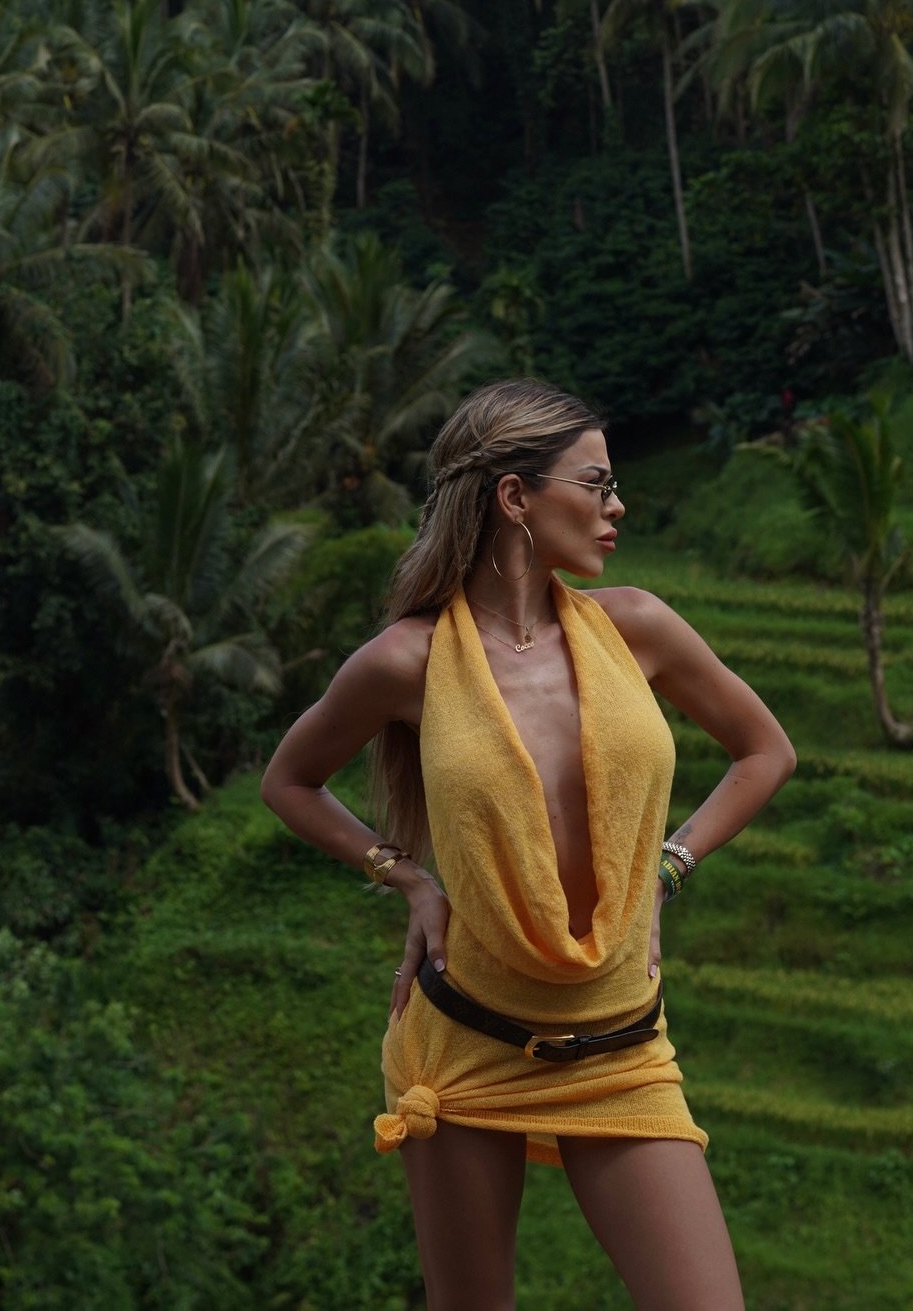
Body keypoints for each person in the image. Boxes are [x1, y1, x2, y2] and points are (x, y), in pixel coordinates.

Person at [261, 379, 797, 1310]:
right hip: (468, 1043)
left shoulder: (637, 626)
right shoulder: (408, 660)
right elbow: (289, 780)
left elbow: (766, 750)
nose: (616, 505)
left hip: (623, 1042)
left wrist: (666, 871)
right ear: (515, 496)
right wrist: (409, 880)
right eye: (596, 483)